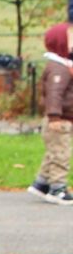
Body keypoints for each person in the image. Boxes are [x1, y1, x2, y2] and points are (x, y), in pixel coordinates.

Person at [30, 22, 73, 205]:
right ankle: (57, 188)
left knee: (53, 153)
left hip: (63, 119)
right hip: (58, 121)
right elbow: (54, 94)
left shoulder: (64, 66)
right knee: (61, 154)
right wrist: (54, 116)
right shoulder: (58, 69)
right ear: (61, 43)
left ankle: (41, 183)